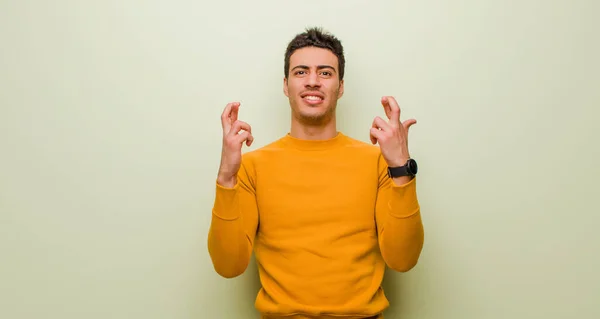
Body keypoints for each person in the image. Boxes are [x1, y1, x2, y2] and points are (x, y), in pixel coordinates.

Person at [207, 27, 424, 319]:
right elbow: (228, 265)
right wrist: (226, 179)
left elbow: (403, 259)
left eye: (325, 73)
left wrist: (400, 169)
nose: (312, 81)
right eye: (300, 72)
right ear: (286, 85)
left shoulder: (378, 163)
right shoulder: (251, 167)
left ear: (341, 85)